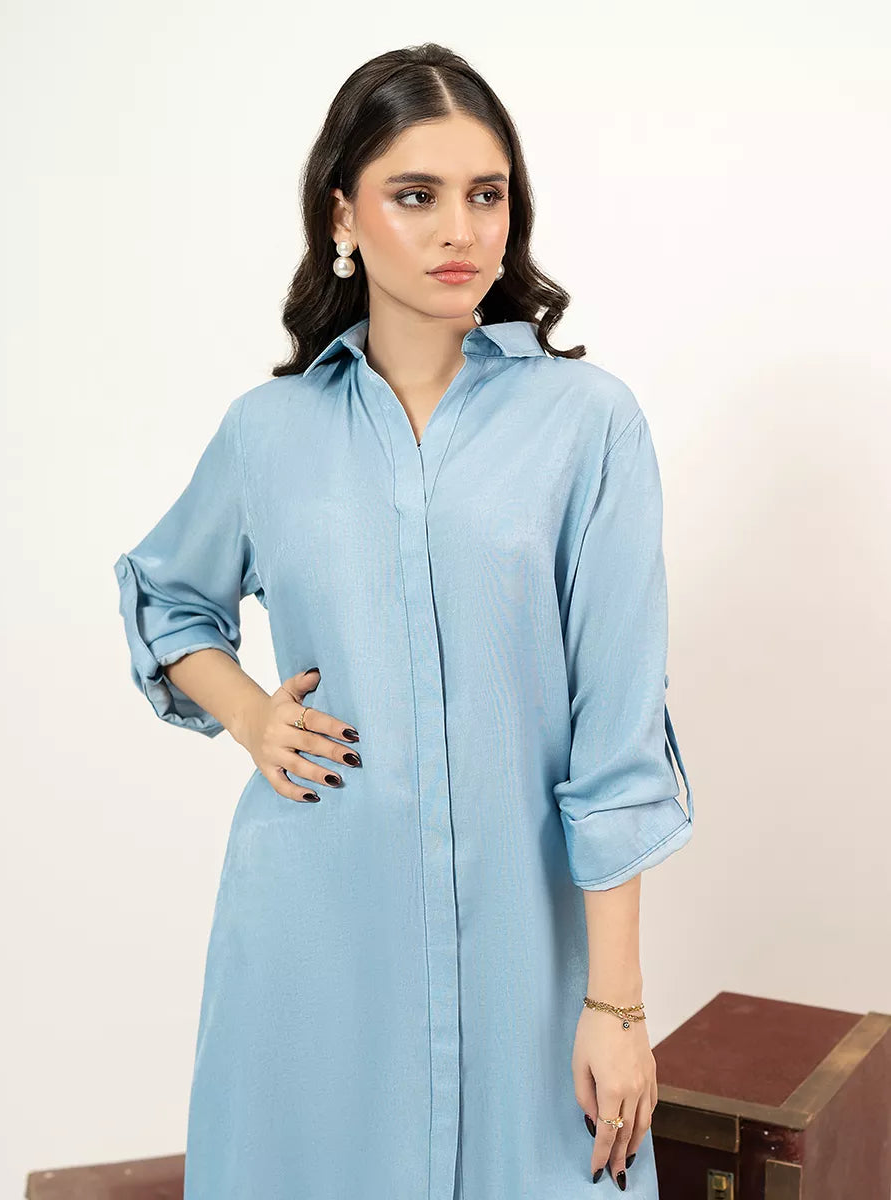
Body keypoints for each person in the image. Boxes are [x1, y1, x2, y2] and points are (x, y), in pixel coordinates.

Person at [112, 41, 694, 1200]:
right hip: (313, 953)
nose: (460, 231)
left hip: (529, 962)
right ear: (344, 214)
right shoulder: (269, 433)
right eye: (416, 195)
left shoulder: (589, 426)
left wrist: (617, 1005)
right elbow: (167, 594)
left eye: (486, 195)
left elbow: (618, 738)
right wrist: (251, 716)